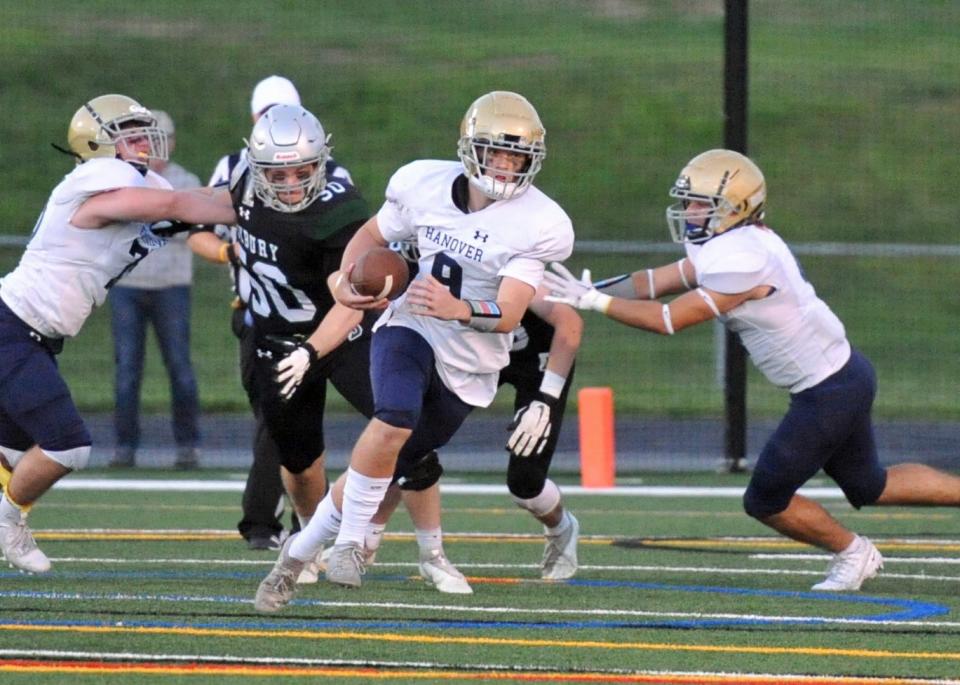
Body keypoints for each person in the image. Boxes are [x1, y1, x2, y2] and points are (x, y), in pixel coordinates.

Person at [544, 148, 960, 592]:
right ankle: (859, 548)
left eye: (701, 203)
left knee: (765, 498)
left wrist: (596, 302)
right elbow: (654, 281)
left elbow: (670, 319)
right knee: (869, 485)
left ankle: (854, 553)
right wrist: (589, 287)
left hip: (829, 389)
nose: (690, 211)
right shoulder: (729, 242)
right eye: (689, 201)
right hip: (842, 375)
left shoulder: (743, 257)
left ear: (736, 207)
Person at [254, 89, 575, 612]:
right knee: (394, 416)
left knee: (384, 463)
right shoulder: (421, 183)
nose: (505, 164)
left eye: (516, 156)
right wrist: (343, 279)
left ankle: (293, 559)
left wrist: (459, 309)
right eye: (495, 152)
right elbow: (372, 234)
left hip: (471, 364)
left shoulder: (539, 222)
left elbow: (511, 314)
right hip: (411, 326)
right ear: (470, 148)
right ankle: (353, 546)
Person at [0, 94, 236, 573]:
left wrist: (261, 196)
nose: (144, 142)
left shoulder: (134, 184)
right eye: (129, 133)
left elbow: (200, 202)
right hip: (12, 329)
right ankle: (8, 521)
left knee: (8, 450)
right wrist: (245, 206)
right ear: (98, 142)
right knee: (68, 443)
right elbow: (176, 202)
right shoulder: (100, 184)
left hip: (34, 336)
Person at [190, 75, 350, 550]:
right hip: (260, 315)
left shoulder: (332, 174)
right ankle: (276, 522)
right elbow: (197, 228)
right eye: (266, 116)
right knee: (276, 420)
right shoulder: (236, 169)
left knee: (385, 415)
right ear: (254, 123)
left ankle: (293, 522)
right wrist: (229, 255)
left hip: (326, 319)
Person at [108, 109, 202, 470]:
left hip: (171, 285)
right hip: (129, 285)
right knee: (127, 369)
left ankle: (188, 445)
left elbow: (196, 226)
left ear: (172, 142)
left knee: (179, 366)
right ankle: (124, 446)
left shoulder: (186, 181)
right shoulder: (122, 180)